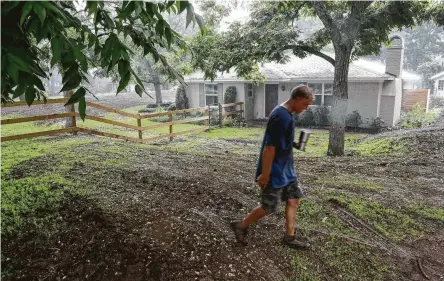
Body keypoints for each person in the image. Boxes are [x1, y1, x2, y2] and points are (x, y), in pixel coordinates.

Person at [231, 85, 314, 248]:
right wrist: (265, 174)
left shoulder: (287, 115)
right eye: (306, 103)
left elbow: (281, 141)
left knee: (293, 199)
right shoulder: (280, 117)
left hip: (287, 170)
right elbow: (270, 148)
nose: (307, 107)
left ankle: (289, 238)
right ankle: (240, 225)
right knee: (268, 207)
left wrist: (296, 144)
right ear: (297, 98)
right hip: (275, 171)